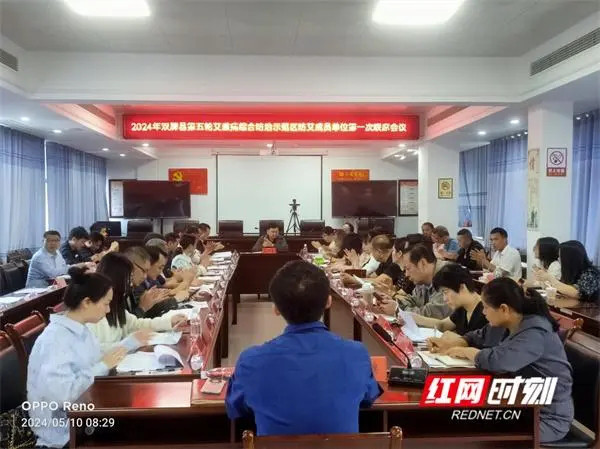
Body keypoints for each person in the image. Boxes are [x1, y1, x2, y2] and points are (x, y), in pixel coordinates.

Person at [226, 260, 382, 435]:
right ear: (329, 302)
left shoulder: (251, 360)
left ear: (276, 309)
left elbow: (236, 408)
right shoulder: (356, 354)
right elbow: (368, 398)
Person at [427, 278, 574, 443]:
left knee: (469, 429)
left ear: (504, 309)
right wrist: (454, 343)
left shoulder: (535, 331)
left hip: (544, 417)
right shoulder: (507, 322)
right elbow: (477, 336)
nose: (483, 312)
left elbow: (499, 361)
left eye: (486, 307)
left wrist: (467, 352)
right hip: (517, 404)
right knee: (455, 417)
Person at [27, 267, 128, 448]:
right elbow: (63, 395)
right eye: (106, 303)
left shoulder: (80, 329)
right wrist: (103, 366)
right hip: (64, 434)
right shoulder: (55, 340)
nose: (108, 310)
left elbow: (95, 359)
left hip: (84, 416)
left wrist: (126, 347)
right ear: (87, 302)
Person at [89, 253, 186, 352]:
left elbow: (136, 324)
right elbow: (95, 351)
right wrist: (130, 344)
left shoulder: (116, 306)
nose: (130, 284)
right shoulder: (92, 312)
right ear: (117, 280)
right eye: (128, 279)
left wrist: (169, 322)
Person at [377, 244, 452, 319]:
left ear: (422, 263)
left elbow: (431, 315)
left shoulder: (448, 276)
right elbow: (413, 300)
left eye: (408, 269)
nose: (406, 274)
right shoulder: (422, 279)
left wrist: (397, 310)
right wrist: (394, 302)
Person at [412, 263, 487, 335]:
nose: (444, 299)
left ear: (462, 287)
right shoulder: (462, 308)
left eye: (445, 292)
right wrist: (413, 317)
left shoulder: (486, 311)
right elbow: (443, 325)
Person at [123, 246, 171, 317]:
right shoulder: (118, 291)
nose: (145, 276)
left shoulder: (129, 288)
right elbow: (125, 323)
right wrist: (142, 308)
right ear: (131, 266)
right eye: (143, 271)